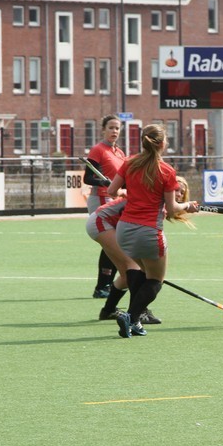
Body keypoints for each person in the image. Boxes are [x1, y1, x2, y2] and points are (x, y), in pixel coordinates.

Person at [107, 125, 198, 338]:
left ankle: (134, 322)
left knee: (142, 272)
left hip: (124, 230)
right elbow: (173, 208)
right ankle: (131, 317)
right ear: (163, 143)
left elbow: (111, 191)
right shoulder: (166, 171)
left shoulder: (129, 162)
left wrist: (126, 191)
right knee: (156, 280)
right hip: (149, 231)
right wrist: (188, 206)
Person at [85, 177, 193, 324]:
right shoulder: (152, 199)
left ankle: (108, 310)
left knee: (126, 275)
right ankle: (138, 313)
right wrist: (187, 206)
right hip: (102, 221)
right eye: (176, 190)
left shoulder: (160, 203)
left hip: (107, 223)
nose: (179, 194)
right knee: (133, 267)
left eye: (182, 192)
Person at [83, 115, 126, 299]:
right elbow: (88, 178)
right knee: (111, 241)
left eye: (117, 128)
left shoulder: (120, 153)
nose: (114, 131)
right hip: (101, 198)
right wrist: (103, 182)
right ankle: (102, 286)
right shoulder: (98, 150)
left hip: (115, 199)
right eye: (111, 128)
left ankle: (106, 285)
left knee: (116, 242)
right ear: (103, 130)